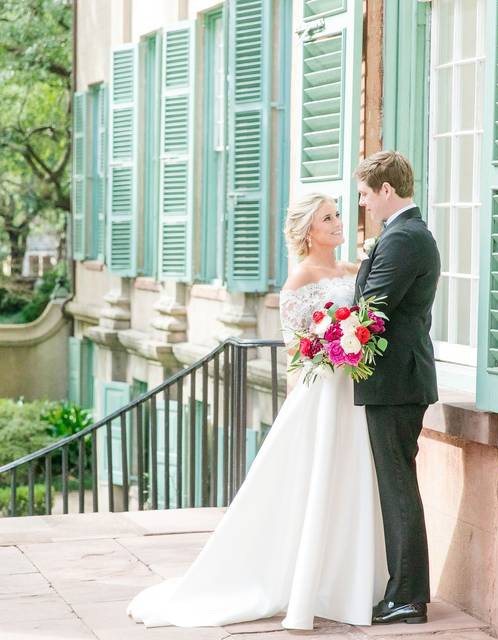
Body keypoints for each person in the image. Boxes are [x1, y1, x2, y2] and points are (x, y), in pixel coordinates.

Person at [126, 193, 389, 630]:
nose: (340, 222)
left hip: (354, 391)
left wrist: (354, 336)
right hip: (322, 393)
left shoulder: (350, 272)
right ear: (309, 231)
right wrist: (331, 344)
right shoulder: (298, 282)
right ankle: (302, 581)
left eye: (338, 214)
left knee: (353, 480)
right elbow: (296, 349)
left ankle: (350, 583)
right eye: (329, 218)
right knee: (317, 480)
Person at [354, 150, 441, 625]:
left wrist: (367, 260)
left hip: (397, 381)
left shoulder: (404, 238)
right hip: (400, 380)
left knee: (398, 487)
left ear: (387, 190)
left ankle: (407, 596)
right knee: (397, 485)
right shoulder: (403, 234)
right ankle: (404, 591)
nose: (364, 204)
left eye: (366, 194)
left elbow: (372, 306)